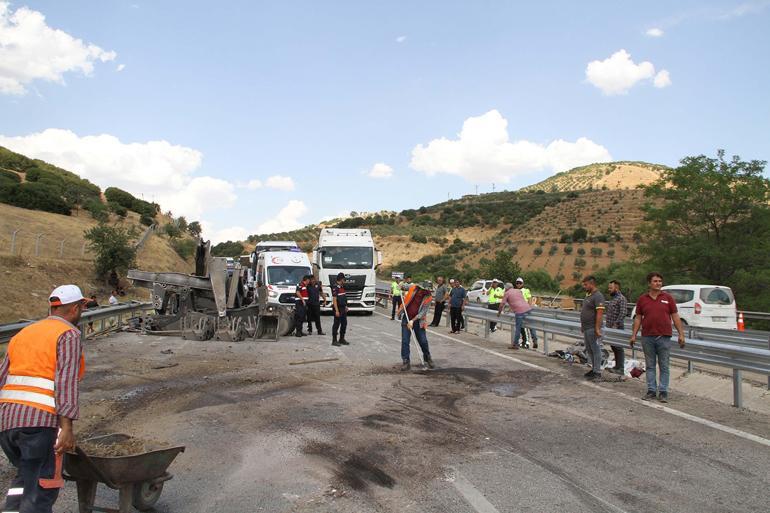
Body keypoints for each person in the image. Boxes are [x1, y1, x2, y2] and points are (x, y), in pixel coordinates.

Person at [0, 284, 86, 513]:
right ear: (76, 309)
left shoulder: (24, 333)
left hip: (8, 425)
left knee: (24, 480)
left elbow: (2, 376)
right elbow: (65, 381)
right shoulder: (68, 334)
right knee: (41, 489)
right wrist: (66, 428)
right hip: (38, 425)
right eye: (82, 309)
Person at [630, 272, 686, 403]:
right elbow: (638, 318)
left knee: (664, 366)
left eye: (660, 281)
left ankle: (663, 391)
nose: (658, 283)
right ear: (649, 283)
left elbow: (675, 316)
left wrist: (681, 334)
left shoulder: (668, 298)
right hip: (647, 337)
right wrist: (633, 335)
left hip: (664, 337)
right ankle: (651, 390)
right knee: (650, 365)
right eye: (655, 281)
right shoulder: (642, 299)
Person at [398, 282, 435, 371]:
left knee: (423, 341)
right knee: (405, 341)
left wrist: (412, 321)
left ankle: (427, 357)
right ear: (422, 288)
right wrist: (401, 285)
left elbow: (423, 313)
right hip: (406, 318)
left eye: (429, 291)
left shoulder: (428, 297)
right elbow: (404, 286)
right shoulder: (413, 287)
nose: (427, 292)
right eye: (426, 290)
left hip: (418, 321)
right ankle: (406, 361)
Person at [498, 282, 538, 350]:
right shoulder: (518, 291)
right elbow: (517, 300)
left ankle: (515, 344)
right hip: (528, 309)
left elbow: (502, 304)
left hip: (519, 311)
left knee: (518, 328)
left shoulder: (507, 293)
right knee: (531, 325)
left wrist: (499, 313)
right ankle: (535, 340)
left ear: (506, 288)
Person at [580, 276, 606, 381]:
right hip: (587, 327)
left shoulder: (598, 296)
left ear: (592, 284)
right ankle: (594, 369)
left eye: (586, 285)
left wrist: (597, 328)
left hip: (593, 327)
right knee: (590, 350)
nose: (584, 287)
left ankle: (597, 372)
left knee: (596, 349)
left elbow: (600, 313)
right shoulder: (588, 296)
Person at [604, 280, 628, 375]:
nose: (609, 289)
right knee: (614, 347)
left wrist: (615, 324)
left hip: (616, 328)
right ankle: (617, 366)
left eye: (611, 288)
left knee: (618, 347)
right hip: (610, 327)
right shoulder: (614, 298)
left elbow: (623, 313)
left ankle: (620, 368)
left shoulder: (621, 299)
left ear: (616, 288)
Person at [331, 272, 349, 346]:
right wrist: (337, 310)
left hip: (343, 308)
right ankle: (334, 341)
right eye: (344, 279)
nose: (344, 281)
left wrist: (345, 306)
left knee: (344, 323)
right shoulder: (335, 287)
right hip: (338, 309)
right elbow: (334, 300)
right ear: (341, 279)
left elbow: (343, 298)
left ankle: (341, 339)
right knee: (336, 324)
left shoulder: (342, 287)